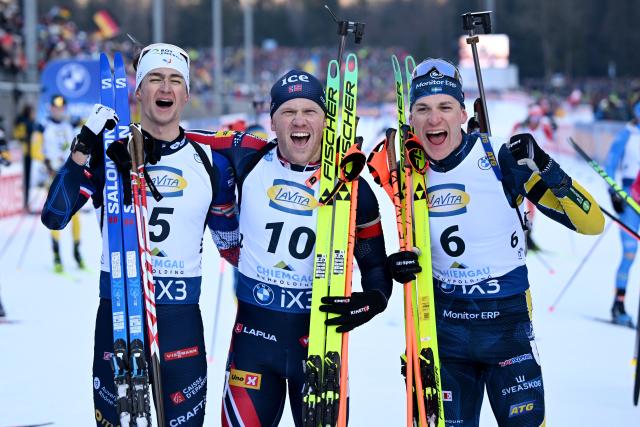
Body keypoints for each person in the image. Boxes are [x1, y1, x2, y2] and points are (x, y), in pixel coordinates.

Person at [395, 58, 604, 426]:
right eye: (423, 109)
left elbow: (591, 222)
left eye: (445, 107)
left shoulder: (498, 161)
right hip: (445, 336)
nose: (433, 119)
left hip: (507, 330)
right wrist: (397, 264)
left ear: (462, 113)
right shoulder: (407, 173)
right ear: (411, 117)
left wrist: (546, 166)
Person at [41, 43, 240, 426]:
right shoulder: (109, 153)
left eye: (174, 80)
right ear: (138, 90)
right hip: (117, 312)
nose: (165, 89)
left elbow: (232, 245)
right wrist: (82, 151)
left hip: (180, 317)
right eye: (154, 79)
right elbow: (54, 216)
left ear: (186, 93)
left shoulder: (208, 159)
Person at [187, 69, 393, 426]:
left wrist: (374, 301)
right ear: (272, 121)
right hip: (252, 343)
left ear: (326, 121)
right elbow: (176, 136)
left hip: (319, 345)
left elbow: (376, 267)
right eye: (287, 112)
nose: (298, 120)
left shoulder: (353, 187)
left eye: (309, 111)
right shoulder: (248, 157)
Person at [34, 95, 83, 272]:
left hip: (69, 175)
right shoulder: (43, 126)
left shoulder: (70, 124)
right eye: (55, 107)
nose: (58, 110)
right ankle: (57, 256)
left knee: (74, 214)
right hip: (53, 175)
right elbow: (35, 150)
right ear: (50, 108)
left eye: (61, 108)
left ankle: (77, 254)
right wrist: (46, 163)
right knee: (56, 213)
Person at [604, 101, 640, 327]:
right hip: (630, 199)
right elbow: (609, 166)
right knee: (630, 253)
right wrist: (614, 194)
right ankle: (619, 305)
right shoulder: (626, 135)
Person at [511, 103, 557, 252]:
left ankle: (529, 235)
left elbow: (552, 140)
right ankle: (518, 236)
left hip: (537, 171)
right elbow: (509, 143)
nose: (535, 119)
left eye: (538, 116)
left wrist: (553, 127)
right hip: (520, 169)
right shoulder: (520, 126)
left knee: (533, 204)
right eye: (533, 116)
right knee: (518, 201)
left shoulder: (544, 127)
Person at [13, 104, 36, 211]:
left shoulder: (26, 122)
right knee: (25, 180)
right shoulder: (25, 122)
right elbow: (19, 136)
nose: (34, 114)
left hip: (29, 154)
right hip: (25, 154)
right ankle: (24, 204)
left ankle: (25, 203)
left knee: (27, 181)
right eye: (32, 112)